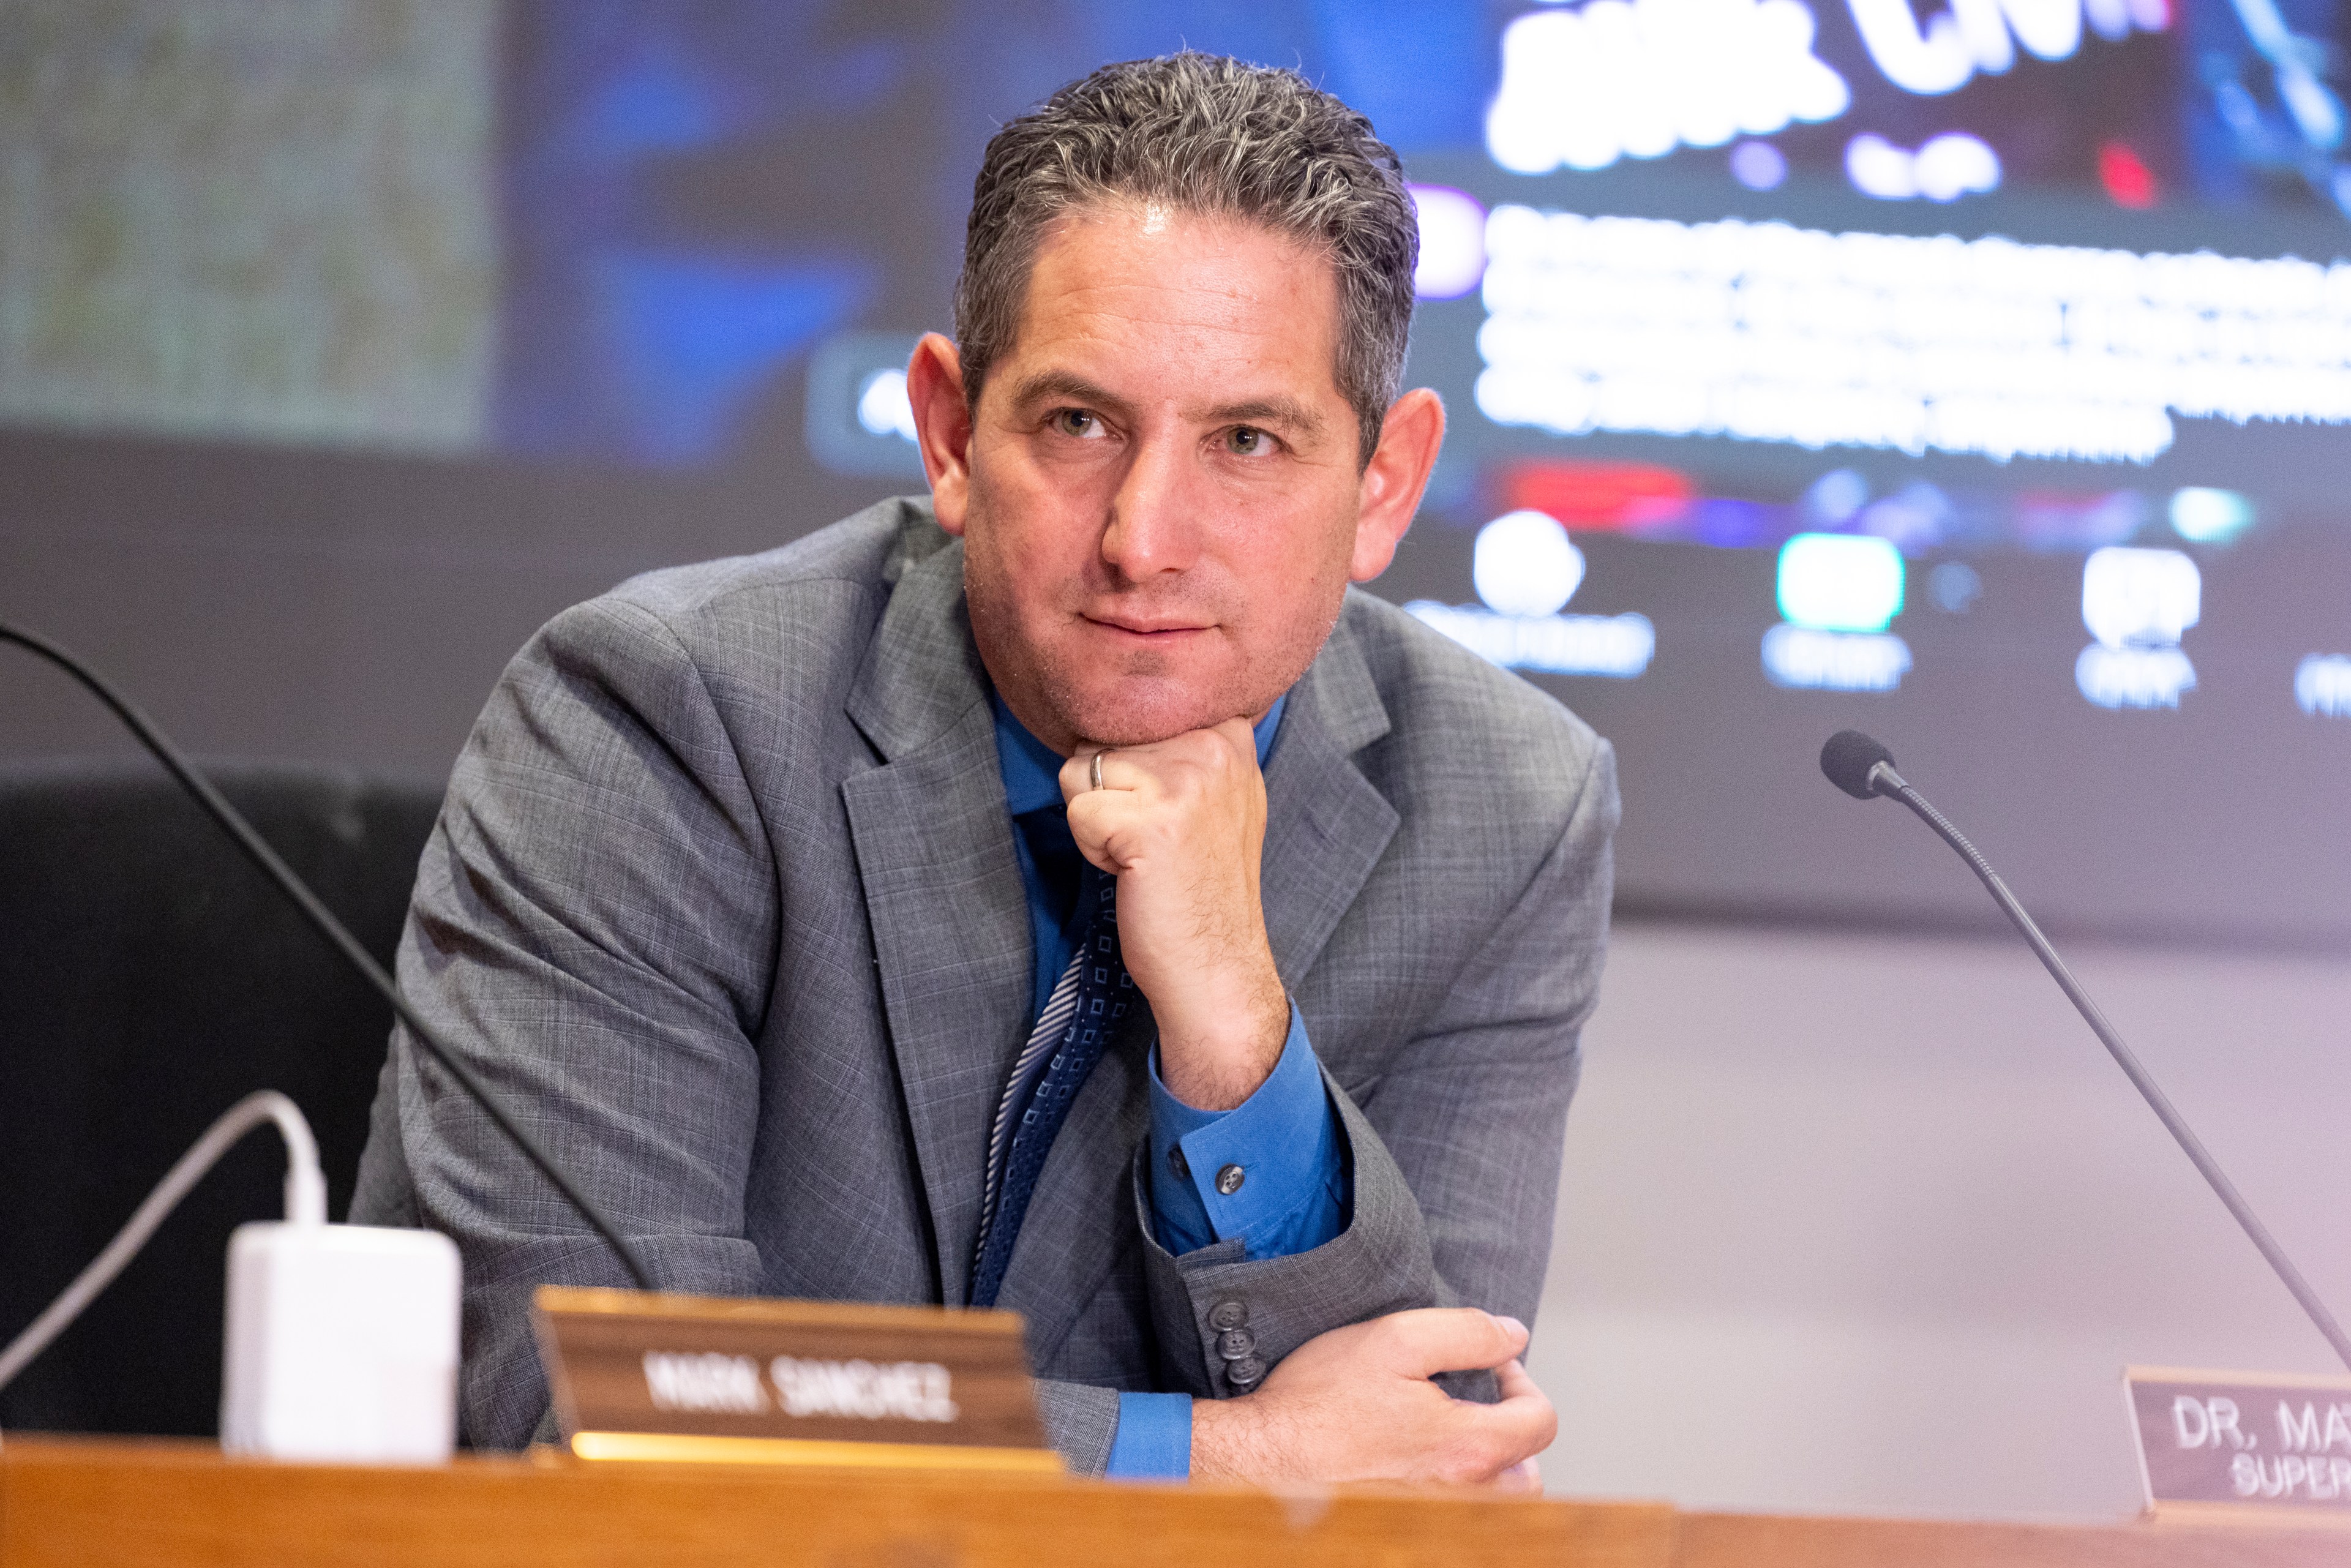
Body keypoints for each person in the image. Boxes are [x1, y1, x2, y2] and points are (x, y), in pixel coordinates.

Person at [352, 51, 1618, 1484]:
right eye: (1080, 425)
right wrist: (1227, 1458)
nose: (1146, 536)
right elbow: (585, 1389)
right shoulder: (659, 716)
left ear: (1384, 484)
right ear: (952, 434)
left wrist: (1237, 1039)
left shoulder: (1512, 804)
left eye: (1248, 441)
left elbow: (1423, 1447)